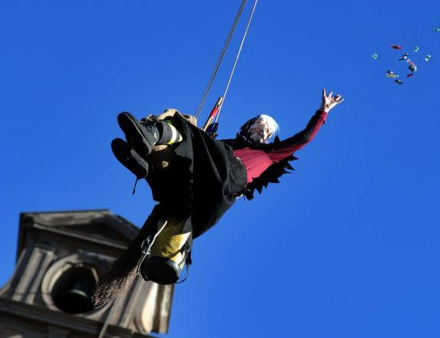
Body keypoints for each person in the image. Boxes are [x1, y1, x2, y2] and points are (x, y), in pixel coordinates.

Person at [92, 89, 343, 306]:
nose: (261, 130)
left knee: (184, 125)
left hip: (228, 179)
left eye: (266, 130)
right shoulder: (224, 144)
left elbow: (304, 139)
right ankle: (144, 158)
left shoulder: (270, 154)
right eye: (258, 124)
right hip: (199, 188)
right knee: (178, 158)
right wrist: (206, 137)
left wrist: (323, 113)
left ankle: (149, 142)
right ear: (248, 125)